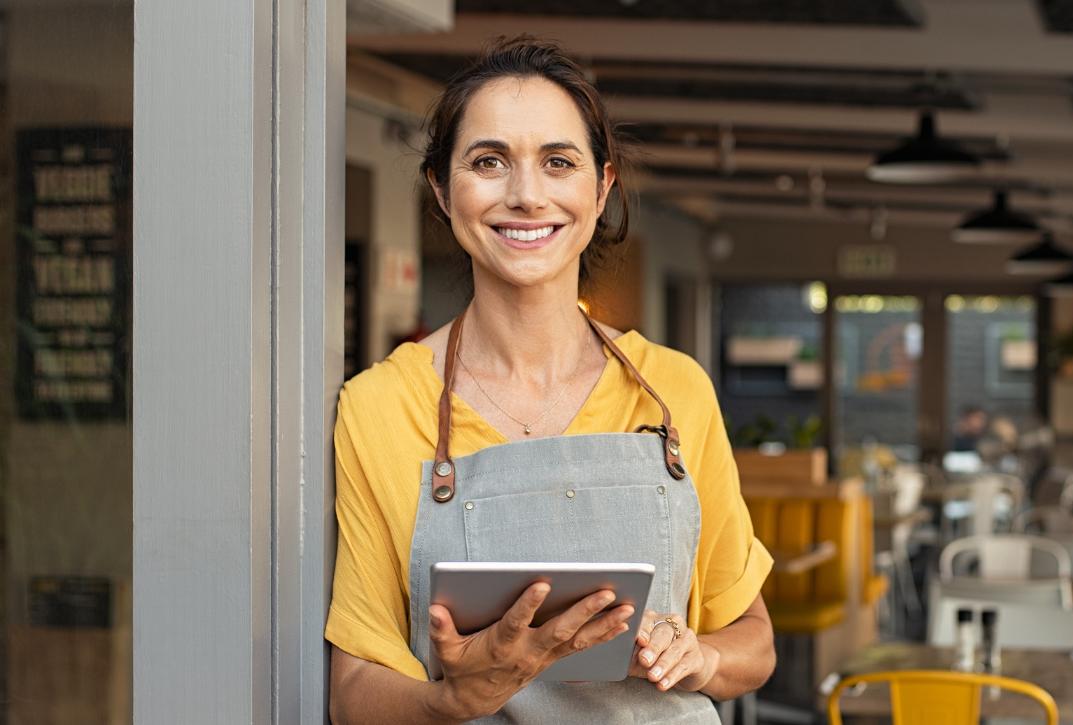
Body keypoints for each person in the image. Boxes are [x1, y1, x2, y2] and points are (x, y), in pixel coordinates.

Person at [326, 37, 774, 724]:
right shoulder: (381, 406)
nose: (526, 195)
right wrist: (450, 699)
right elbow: (354, 690)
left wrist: (701, 657)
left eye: (557, 162)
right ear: (444, 190)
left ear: (601, 187)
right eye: (488, 161)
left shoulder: (675, 390)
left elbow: (754, 641)